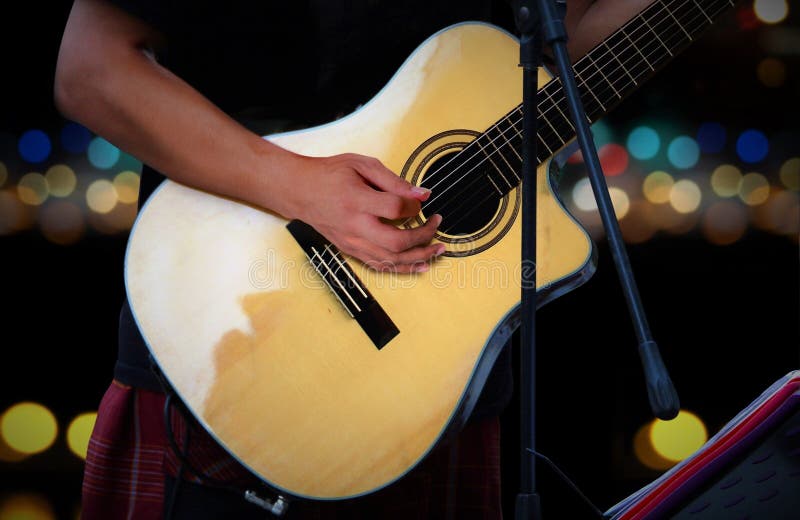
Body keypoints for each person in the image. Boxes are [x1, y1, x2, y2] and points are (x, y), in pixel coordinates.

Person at [56, 0, 654, 518]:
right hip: (231, 341)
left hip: (434, 384)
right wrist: (304, 189)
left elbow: (559, 54)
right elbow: (90, 68)